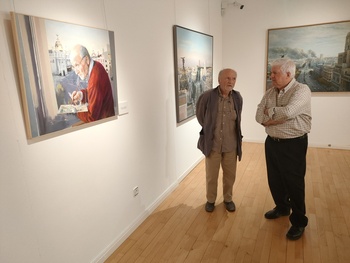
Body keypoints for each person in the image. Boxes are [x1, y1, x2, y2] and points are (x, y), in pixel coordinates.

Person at [255, 58, 311, 240]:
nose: (270, 76)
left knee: (294, 183)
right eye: (271, 73)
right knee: (275, 178)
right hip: (272, 142)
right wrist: (276, 116)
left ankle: (298, 221)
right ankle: (282, 207)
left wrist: (269, 114)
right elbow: (257, 115)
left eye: (274, 73)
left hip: (293, 143)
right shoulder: (270, 92)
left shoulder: (302, 90)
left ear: (289, 74)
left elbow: (289, 112)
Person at [196, 68, 243, 213]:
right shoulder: (207, 96)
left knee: (230, 176)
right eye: (227, 78)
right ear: (219, 80)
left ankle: (228, 199)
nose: (230, 81)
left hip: (231, 145)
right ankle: (210, 200)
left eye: (233, 79)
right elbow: (201, 117)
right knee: (211, 176)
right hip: (213, 145)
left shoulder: (237, 97)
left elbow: (238, 119)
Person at [71, 44, 115, 122]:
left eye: (77, 65)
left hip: (105, 123)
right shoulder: (96, 66)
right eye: (73, 67)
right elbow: (92, 92)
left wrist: (75, 110)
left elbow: (92, 118)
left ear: (87, 60)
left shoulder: (95, 79)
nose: (76, 72)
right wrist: (80, 95)